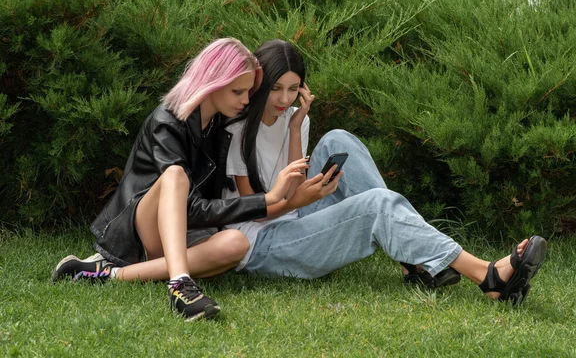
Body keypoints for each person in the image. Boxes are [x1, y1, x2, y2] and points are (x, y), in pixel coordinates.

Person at [224, 39, 547, 304]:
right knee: (376, 204)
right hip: (264, 245)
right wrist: (296, 201)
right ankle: (486, 276)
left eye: (294, 89)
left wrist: (295, 128)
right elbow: (254, 211)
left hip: (292, 220)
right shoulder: (238, 131)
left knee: (340, 139)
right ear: (259, 82)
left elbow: (293, 186)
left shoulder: (295, 118)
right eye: (275, 87)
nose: (284, 99)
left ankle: (413, 262)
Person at [51, 38, 310, 321]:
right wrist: (268, 200)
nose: (246, 100)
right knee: (175, 175)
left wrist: (296, 123)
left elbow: (271, 113)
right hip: (143, 228)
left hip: (186, 229)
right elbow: (189, 207)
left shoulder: (221, 122)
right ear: (213, 82)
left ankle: (107, 275)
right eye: (238, 91)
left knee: (236, 243)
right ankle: (180, 286)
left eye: (248, 91)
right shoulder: (167, 122)